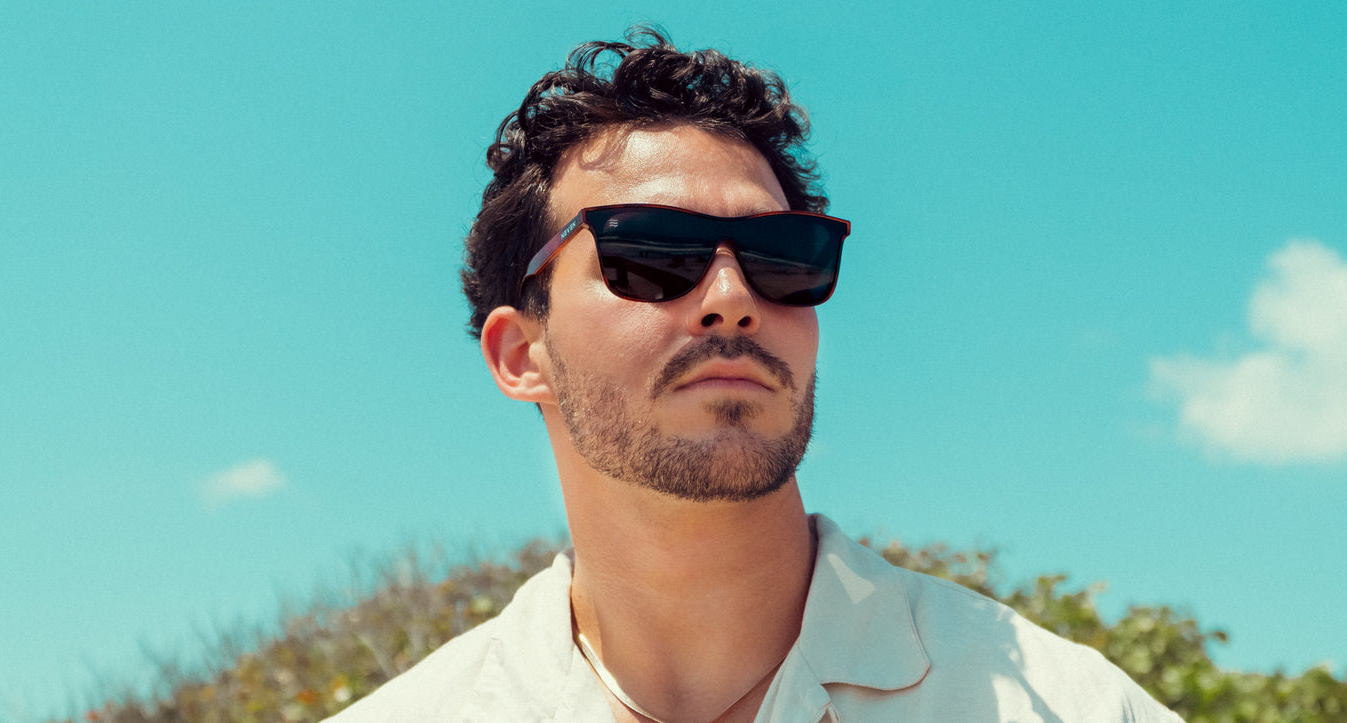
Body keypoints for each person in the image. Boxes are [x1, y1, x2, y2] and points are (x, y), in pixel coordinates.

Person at [328, 27, 1183, 723]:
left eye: (782, 257)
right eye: (653, 253)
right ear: (523, 355)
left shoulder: (1069, 706)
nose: (732, 298)